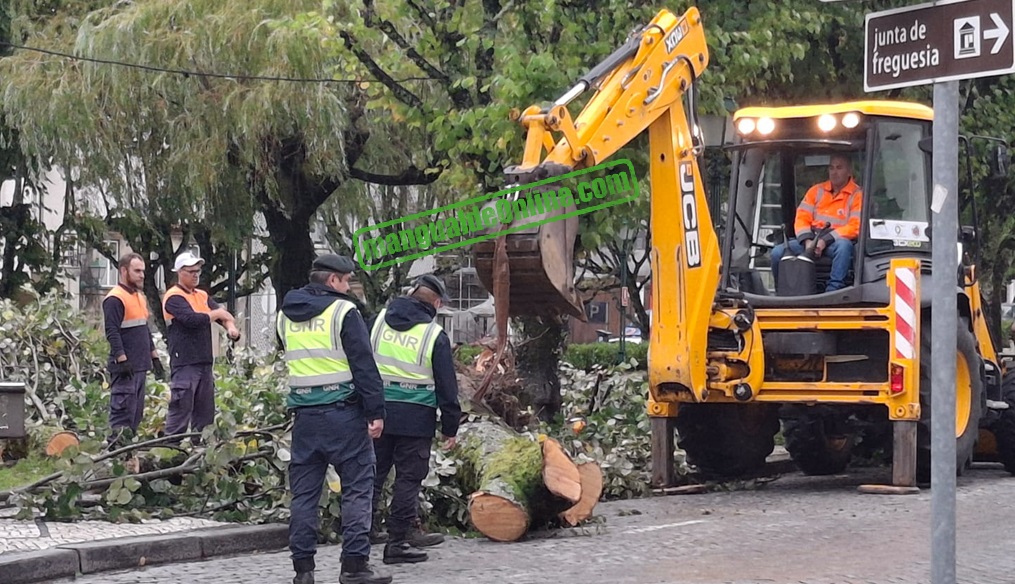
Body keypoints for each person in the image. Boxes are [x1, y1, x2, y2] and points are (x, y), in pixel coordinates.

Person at [277, 253, 391, 584]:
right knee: (357, 488)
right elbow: (363, 364)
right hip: (344, 415)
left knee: (305, 495)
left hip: (305, 419)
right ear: (333, 281)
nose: (349, 286)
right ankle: (354, 566)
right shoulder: (344, 311)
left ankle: (303, 572)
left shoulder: (285, 315)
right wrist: (376, 412)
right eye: (347, 280)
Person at [368, 274, 461, 565]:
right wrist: (450, 427)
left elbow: (361, 360)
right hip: (416, 417)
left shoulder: (378, 321)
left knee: (372, 475)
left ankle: (362, 531)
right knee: (408, 480)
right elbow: (447, 386)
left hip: (378, 413)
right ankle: (397, 542)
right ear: (436, 302)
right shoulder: (434, 335)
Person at [160, 251, 240, 437]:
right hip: (185, 362)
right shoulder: (173, 297)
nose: (196, 274)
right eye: (191, 271)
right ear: (180, 272)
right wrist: (218, 314)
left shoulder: (202, 295)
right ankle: (170, 449)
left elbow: (224, 315)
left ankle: (201, 452)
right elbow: (192, 320)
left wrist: (231, 328)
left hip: (204, 362)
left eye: (198, 271)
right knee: (181, 410)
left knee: (205, 415)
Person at [771, 153, 863, 292]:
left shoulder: (857, 195)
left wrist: (825, 241)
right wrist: (807, 241)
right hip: (811, 239)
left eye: (839, 168)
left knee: (844, 247)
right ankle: (782, 290)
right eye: (831, 168)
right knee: (777, 253)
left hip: (836, 242)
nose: (834, 172)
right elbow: (802, 218)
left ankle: (833, 290)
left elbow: (855, 226)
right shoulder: (816, 191)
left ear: (849, 171)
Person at [102, 252, 164, 445]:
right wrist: (122, 359)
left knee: (135, 416)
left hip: (140, 366)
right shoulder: (115, 298)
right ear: (123, 271)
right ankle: (115, 456)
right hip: (126, 368)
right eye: (137, 271)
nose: (142, 275)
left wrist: (154, 357)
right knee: (122, 416)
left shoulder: (138, 297)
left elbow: (144, 329)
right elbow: (112, 332)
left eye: (143, 271)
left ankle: (128, 456)